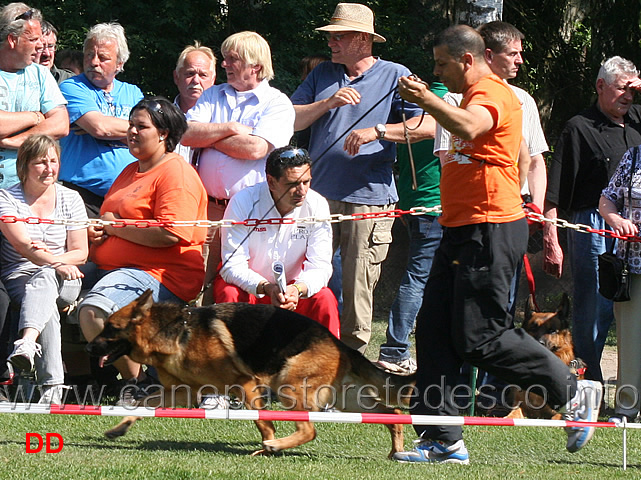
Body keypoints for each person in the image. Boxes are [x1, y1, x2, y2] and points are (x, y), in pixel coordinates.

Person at [394, 25, 602, 464]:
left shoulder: (494, 94)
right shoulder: (465, 97)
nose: (436, 72)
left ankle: (572, 389)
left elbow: (471, 125)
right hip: (459, 228)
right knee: (434, 331)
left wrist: (426, 99)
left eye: (441, 64)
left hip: (489, 229)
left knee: (479, 336)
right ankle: (442, 438)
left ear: (467, 60)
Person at [290, 3, 431, 353]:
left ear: (364, 39)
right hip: (317, 197)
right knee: (307, 278)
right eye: (330, 36)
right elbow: (291, 120)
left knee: (357, 284)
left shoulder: (396, 74)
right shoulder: (322, 75)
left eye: (339, 36)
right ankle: (303, 351)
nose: (331, 43)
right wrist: (328, 103)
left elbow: (428, 125)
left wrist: (379, 131)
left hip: (369, 198)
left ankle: (352, 363)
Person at [77, 97, 208, 405]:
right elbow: (111, 220)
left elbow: (171, 233)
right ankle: (60, 381)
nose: (132, 132)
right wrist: (97, 230)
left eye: (141, 127)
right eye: (130, 126)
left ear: (163, 134)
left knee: (93, 311)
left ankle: (142, 382)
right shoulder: (130, 171)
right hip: (111, 267)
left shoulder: (175, 173)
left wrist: (114, 228)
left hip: (160, 276)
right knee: (51, 279)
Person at [544, 56, 641, 384]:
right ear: (600, 86)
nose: (628, 96)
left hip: (634, 229)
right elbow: (555, 190)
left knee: (630, 311)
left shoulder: (638, 120)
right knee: (594, 310)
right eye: (621, 88)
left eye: (633, 89)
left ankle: (626, 388)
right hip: (593, 226)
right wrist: (551, 238)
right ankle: (585, 384)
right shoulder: (579, 127)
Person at [182, 31, 295, 304]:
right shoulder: (212, 96)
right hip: (209, 208)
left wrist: (209, 139)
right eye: (224, 59)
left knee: (245, 283)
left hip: (253, 210)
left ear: (255, 66)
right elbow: (184, 133)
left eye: (232, 59)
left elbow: (256, 149)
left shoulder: (277, 103)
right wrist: (231, 129)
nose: (224, 65)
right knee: (200, 282)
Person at [215, 146, 340, 338]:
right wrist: (266, 287)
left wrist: (297, 289)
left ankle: (332, 365)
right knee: (229, 293)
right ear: (271, 182)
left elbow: (321, 267)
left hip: (295, 291)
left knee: (325, 299)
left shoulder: (317, 204)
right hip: (252, 290)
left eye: (306, 182)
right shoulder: (243, 201)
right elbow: (232, 265)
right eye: (293, 184)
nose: (302, 191)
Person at [0, 134, 88, 404]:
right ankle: (52, 389)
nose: (49, 168)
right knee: (45, 298)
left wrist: (57, 262)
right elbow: (24, 247)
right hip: (20, 275)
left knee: (47, 276)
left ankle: (27, 343)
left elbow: (81, 252)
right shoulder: (6, 198)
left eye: (54, 161)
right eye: (41, 162)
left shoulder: (71, 198)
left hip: (67, 277)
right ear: (24, 165)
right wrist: (56, 260)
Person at [376, 83, 442, 375]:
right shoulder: (451, 100)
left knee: (422, 278)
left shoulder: (412, 103)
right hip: (437, 204)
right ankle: (395, 349)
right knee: (419, 277)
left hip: (414, 202)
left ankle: (402, 348)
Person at [58, 22, 144, 217]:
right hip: (80, 196)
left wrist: (113, 131)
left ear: (120, 63)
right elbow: (100, 127)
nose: (94, 62)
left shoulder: (133, 93)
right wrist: (131, 133)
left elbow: (150, 139)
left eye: (103, 57)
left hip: (127, 196)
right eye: (89, 55)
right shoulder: (71, 87)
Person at [0, 3, 69, 190]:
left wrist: (14, 141)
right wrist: (36, 116)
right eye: (33, 39)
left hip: (32, 193)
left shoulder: (40, 74)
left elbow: (61, 124)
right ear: (12, 40)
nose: (40, 46)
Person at [600, 143, 641, 423]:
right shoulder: (633, 156)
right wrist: (616, 219)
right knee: (629, 340)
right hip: (632, 267)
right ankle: (626, 408)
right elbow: (607, 199)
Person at [172, 42, 216, 164]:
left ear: (213, 79)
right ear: (176, 77)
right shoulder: (162, 117)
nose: (196, 80)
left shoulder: (220, 119)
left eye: (203, 75)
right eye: (190, 73)